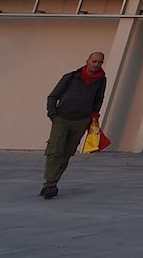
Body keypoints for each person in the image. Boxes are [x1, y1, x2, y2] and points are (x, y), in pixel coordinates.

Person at [40, 51, 107, 198]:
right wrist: (53, 115)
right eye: (94, 61)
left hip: (81, 121)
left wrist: (94, 116)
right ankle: (50, 184)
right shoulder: (71, 77)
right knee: (55, 151)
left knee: (66, 153)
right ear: (87, 61)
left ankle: (52, 183)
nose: (96, 64)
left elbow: (99, 99)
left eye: (99, 62)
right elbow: (53, 96)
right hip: (62, 119)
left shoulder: (101, 80)